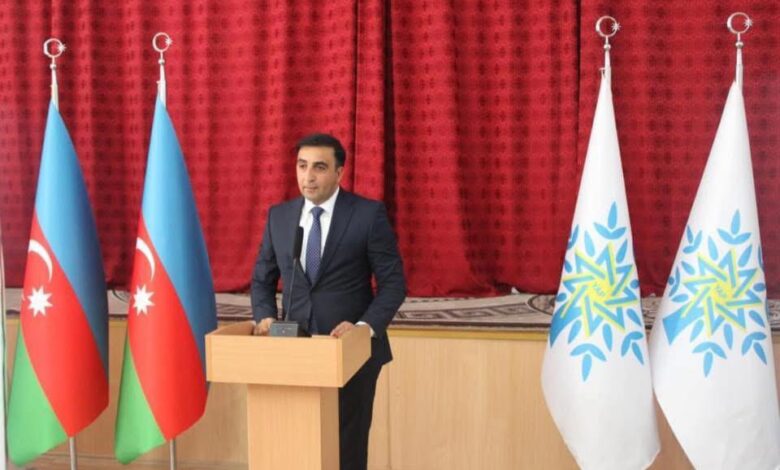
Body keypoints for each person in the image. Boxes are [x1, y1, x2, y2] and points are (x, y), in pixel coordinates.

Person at [250, 133, 406, 470]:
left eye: (319, 167)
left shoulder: (367, 215)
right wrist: (264, 316)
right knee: (296, 447)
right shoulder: (279, 217)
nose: (308, 176)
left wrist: (362, 328)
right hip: (292, 351)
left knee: (346, 449)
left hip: (350, 353)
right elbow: (262, 279)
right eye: (302, 166)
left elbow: (393, 284)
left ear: (339, 172)